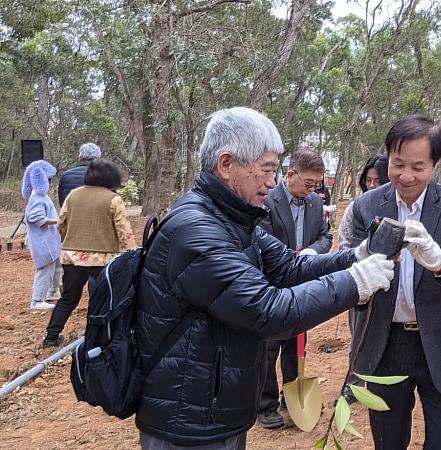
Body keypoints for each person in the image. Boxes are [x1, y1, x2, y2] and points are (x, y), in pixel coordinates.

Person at [134, 107, 394, 449]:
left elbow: (290, 268)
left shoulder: (233, 220)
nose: (272, 182)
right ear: (227, 165)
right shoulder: (197, 231)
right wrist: (354, 282)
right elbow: (266, 311)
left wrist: (354, 256)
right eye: (267, 170)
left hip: (215, 406)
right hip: (188, 419)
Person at [349, 115, 441, 450]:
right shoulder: (367, 206)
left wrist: (440, 261)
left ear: (436, 165)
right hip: (385, 342)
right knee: (388, 441)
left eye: (418, 166)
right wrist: (360, 262)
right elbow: (348, 273)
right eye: (398, 164)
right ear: (388, 159)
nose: (406, 176)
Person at [257, 148, 332, 429]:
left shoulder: (314, 203)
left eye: (317, 184)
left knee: (296, 345)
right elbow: (259, 238)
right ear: (290, 175)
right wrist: (288, 258)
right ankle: (264, 404)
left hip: (303, 285)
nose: (313, 190)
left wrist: (312, 252)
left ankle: (291, 394)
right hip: (272, 284)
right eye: (308, 183)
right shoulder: (267, 201)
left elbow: (325, 236)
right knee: (268, 347)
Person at [42, 159, 136, 348]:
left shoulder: (73, 195)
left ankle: (51, 337)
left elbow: (61, 223)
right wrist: (131, 254)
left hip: (72, 257)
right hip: (103, 258)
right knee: (108, 297)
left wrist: (69, 241)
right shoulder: (113, 198)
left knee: (69, 297)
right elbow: (123, 230)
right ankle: (106, 334)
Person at [337, 154, 390, 404]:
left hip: (392, 286)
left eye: (377, 180)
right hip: (362, 284)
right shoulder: (356, 208)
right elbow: (345, 244)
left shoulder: (397, 209)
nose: (371, 186)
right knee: (358, 336)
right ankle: (354, 384)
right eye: (367, 180)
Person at [22, 160, 60, 310]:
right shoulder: (37, 197)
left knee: (54, 266)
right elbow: (36, 218)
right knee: (44, 268)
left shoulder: (40, 196)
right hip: (43, 241)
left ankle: (51, 292)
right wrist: (58, 221)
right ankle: (37, 300)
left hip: (47, 239)